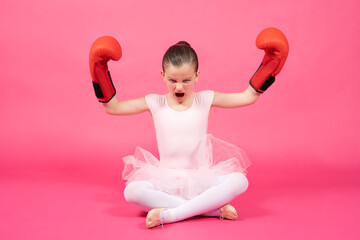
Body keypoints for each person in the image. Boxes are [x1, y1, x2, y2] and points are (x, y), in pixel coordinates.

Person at [89, 28, 289, 228]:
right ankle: (210, 210)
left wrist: (270, 64)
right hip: (165, 179)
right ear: (162, 75)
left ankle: (171, 215)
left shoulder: (205, 99)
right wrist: (100, 70)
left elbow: (248, 97)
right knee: (132, 192)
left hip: (200, 179)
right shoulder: (155, 102)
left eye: (186, 80)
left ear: (197, 75)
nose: (179, 87)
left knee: (240, 181)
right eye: (172, 80)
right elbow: (112, 107)